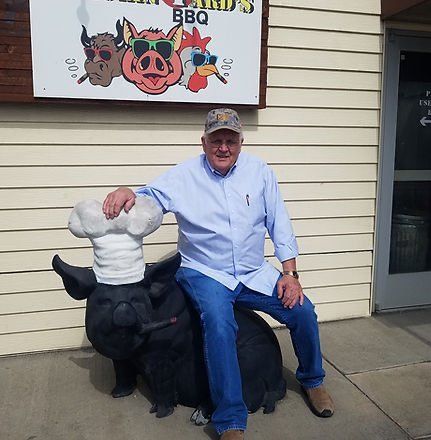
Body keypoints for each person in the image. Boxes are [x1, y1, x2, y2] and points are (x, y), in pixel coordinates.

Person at [102, 108, 334, 440]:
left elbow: (279, 222)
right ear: (204, 142)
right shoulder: (184, 175)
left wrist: (290, 274)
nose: (223, 147)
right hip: (205, 271)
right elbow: (149, 197)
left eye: (230, 140)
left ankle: (313, 380)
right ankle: (230, 419)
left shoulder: (260, 172)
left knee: (303, 311)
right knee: (220, 324)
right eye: (216, 140)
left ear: (240, 142)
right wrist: (128, 191)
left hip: (253, 271)